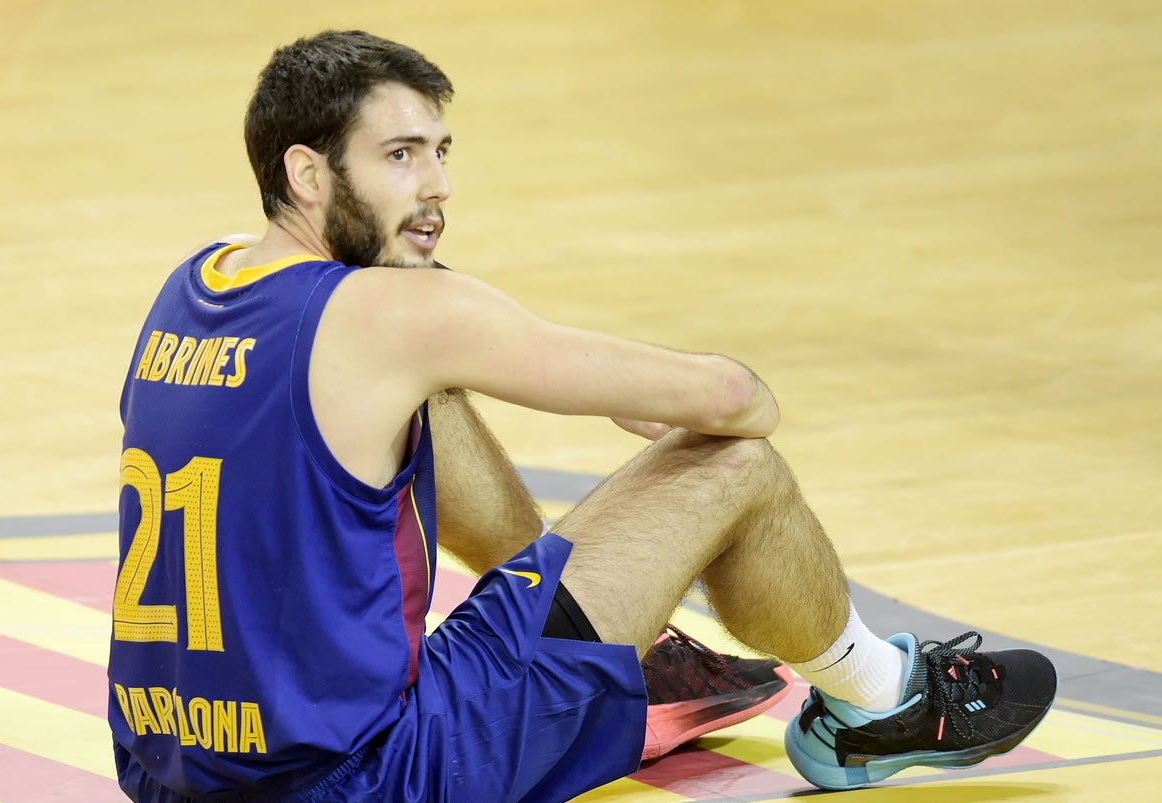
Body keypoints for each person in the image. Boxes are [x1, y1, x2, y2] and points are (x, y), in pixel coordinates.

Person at [107, 29, 1057, 802]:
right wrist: (646, 394)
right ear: (309, 175)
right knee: (735, 468)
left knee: (426, 396)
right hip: (372, 780)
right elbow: (737, 400)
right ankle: (880, 701)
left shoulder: (198, 282)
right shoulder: (399, 316)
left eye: (440, 152)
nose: (436, 185)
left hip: (167, 776)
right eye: (399, 156)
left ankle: (608, 645)